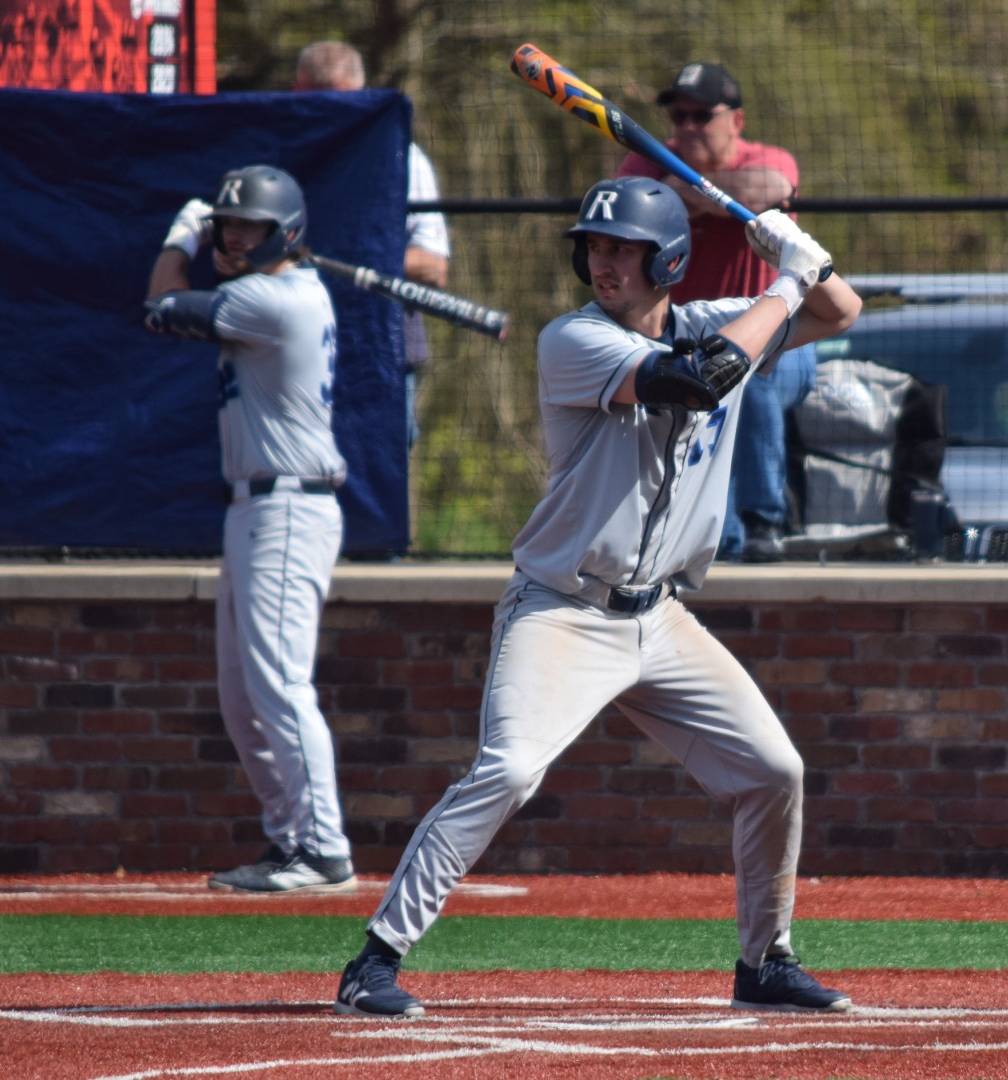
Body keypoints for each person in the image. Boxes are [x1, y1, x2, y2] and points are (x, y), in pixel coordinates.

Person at [333, 177, 863, 1018]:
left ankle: (765, 960)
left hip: (660, 616)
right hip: (562, 609)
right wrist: (785, 283)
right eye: (597, 248)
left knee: (774, 770)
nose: (604, 263)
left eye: (624, 250)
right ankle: (375, 959)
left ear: (671, 260)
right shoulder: (572, 340)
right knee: (508, 769)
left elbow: (843, 311)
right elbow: (700, 380)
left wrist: (790, 248)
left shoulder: (707, 318)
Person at [143, 166, 355, 894]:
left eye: (250, 228)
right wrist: (214, 234)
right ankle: (290, 836)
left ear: (285, 232)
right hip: (256, 504)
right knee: (241, 692)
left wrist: (184, 231)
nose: (234, 238)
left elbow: (162, 305)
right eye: (228, 226)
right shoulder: (273, 290)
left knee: (278, 684)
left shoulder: (272, 298)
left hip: (289, 506)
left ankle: (323, 848)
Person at [617, 61, 814, 562]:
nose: (686, 127)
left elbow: (765, 189)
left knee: (750, 372)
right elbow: (627, 201)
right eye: (678, 116)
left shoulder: (767, 156)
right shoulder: (645, 165)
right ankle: (710, 541)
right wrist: (703, 196)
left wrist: (684, 192)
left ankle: (762, 523)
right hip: (689, 339)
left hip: (782, 337)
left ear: (736, 121)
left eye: (701, 115)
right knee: (682, 382)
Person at [295, 41, 452, 452]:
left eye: (343, 100)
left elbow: (433, 266)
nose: (333, 113)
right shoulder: (282, 157)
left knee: (384, 462)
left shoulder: (402, 158)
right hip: (292, 344)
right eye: (318, 99)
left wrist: (345, 260)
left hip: (379, 348)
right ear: (296, 91)